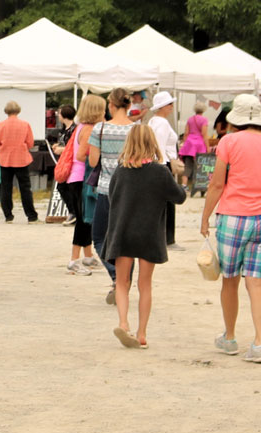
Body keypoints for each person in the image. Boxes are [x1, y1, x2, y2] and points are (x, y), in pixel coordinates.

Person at [200, 95, 261, 364]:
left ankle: (230, 337)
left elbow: (217, 185)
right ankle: (260, 342)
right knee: (256, 283)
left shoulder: (229, 142)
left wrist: (205, 217)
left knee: (230, 280)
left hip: (234, 217)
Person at [104, 124, 185, 350]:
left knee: (122, 282)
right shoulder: (161, 172)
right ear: (153, 144)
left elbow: (113, 199)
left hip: (123, 232)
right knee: (145, 284)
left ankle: (123, 323)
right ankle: (141, 333)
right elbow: (179, 198)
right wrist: (178, 178)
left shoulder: (121, 171)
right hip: (149, 234)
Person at [87, 89, 137, 294]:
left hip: (107, 189)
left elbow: (92, 161)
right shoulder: (137, 129)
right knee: (127, 241)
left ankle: (116, 275)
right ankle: (123, 281)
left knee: (99, 237)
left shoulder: (100, 129)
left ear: (110, 105)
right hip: (132, 191)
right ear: (129, 105)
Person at [62, 95, 104, 274]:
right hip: (81, 178)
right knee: (82, 220)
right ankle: (74, 260)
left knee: (86, 219)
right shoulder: (89, 129)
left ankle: (87, 255)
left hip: (77, 177)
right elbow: (81, 155)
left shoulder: (81, 127)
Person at [145, 91, 182, 246]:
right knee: (169, 201)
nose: (172, 107)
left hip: (159, 163)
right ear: (163, 107)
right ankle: (168, 238)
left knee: (160, 202)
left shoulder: (153, 121)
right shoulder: (161, 123)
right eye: (169, 104)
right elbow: (159, 144)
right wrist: (161, 165)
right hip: (163, 163)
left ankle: (161, 236)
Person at [0, 101, 38, 223]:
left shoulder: (1, 125)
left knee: (6, 188)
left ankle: (8, 215)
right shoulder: (25, 124)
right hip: (22, 159)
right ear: (18, 110)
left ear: (6, 111)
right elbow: (30, 143)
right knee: (25, 188)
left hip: (5, 160)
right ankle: (31, 215)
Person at [182, 102, 213, 195]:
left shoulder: (190, 119)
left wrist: (185, 144)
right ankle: (204, 185)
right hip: (199, 145)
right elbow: (204, 134)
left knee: (187, 166)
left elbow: (186, 133)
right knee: (202, 166)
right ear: (203, 110)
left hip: (189, 145)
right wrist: (208, 147)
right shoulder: (204, 120)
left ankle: (184, 185)